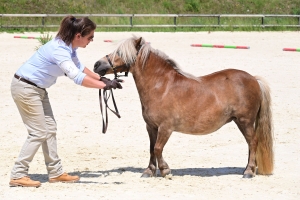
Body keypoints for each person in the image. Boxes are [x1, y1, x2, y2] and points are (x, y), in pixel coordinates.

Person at [9, 15, 122, 187]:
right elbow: (77, 77)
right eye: (90, 37)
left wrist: (102, 79)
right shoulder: (59, 50)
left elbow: (80, 67)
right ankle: (18, 174)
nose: (91, 40)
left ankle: (55, 172)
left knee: (50, 129)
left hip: (36, 89)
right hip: (26, 88)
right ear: (78, 36)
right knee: (38, 132)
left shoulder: (69, 47)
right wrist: (103, 86)